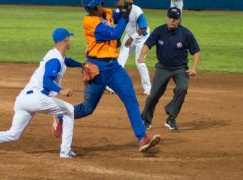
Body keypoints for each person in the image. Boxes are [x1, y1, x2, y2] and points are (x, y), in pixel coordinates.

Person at [54, 0, 160, 152]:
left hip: (114, 67)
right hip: (96, 68)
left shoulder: (105, 12)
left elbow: (119, 15)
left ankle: (142, 138)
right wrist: (124, 15)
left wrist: (126, 6)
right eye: (100, 3)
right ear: (95, 7)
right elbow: (116, 33)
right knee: (88, 108)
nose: (102, 5)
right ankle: (60, 116)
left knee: (131, 99)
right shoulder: (91, 23)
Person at [0, 28, 83, 158]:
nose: (70, 40)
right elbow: (46, 82)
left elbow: (66, 60)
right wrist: (62, 90)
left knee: (14, 134)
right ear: (65, 40)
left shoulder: (54, 54)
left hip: (23, 100)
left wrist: (82, 65)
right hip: (37, 98)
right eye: (69, 38)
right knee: (69, 110)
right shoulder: (55, 60)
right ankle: (65, 151)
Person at [138, 7, 200, 130]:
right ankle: (146, 120)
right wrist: (141, 55)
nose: (172, 20)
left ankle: (171, 117)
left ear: (179, 20)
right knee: (153, 95)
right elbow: (148, 44)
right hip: (163, 67)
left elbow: (196, 51)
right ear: (166, 17)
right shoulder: (159, 31)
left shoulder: (186, 33)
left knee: (182, 88)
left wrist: (193, 68)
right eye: (170, 17)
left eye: (175, 18)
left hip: (180, 68)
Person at [106, 0, 151, 95]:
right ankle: (114, 86)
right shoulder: (120, 10)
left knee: (140, 62)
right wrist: (117, 38)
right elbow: (116, 23)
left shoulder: (137, 11)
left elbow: (143, 28)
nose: (120, 5)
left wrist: (132, 38)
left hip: (142, 37)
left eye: (123, 3)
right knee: (120, 60)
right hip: (129, 36)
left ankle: (148, 88)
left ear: (129, 4)